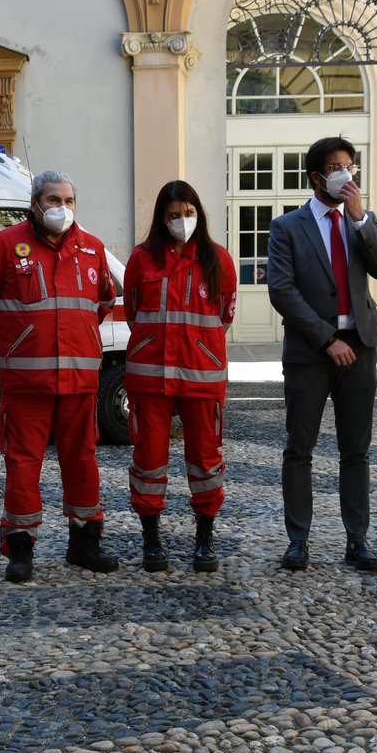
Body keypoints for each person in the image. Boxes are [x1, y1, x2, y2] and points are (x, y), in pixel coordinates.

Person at [0, 169, 118, 581]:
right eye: (53, 200)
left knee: (82, 462)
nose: (61, 208)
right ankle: (20, 548)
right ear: (34, 203)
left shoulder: (92, 248)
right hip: (27, 384)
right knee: (23, 464)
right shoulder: (3, 246)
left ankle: (85, 543)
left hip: (80, 384)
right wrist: (18, 338)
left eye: (68, 201)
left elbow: (103, 302)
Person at [266, 136, 377, 574]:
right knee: (299, 448)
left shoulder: (362, 221)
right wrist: (327, 339)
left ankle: (357, 539)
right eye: (336, 167)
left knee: (355, 450)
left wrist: (361, 222)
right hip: (310, 352)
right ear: (316, 176)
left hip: (360, 347)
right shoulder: (288, 227)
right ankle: (298, 540)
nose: (346, 174)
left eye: (350, 166)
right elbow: (282, 290)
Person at [123, 180, 238, 572]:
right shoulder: (142, 259)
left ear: (199, 214)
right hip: (150, 376)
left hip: (202, 377)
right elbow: (133, 311)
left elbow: (224, 315)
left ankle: (204, 539)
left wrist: (198, 348)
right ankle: (151, 539)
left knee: (206, 461)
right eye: (174, 215)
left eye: (188, 213)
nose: (182, 221)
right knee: (149, 460)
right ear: (161, 218)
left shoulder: (218, 259)